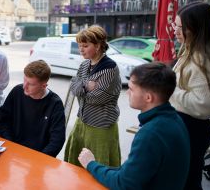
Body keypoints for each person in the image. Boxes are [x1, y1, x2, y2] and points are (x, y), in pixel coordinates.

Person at [78, 62, 190, 190]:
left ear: (148, 97)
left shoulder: (150, 134)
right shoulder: (175, 119)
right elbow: (132, 174)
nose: (127, 93)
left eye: (131, 89)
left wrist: (90, 164)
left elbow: (124, 184)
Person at [170, 1, 210, 190]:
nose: (175, 31)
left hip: (190, 129)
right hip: (189, 127)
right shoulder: (194, 49)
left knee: (185, 182)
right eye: (175, 25)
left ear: (195, 28)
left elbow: (203, 105)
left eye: (180, 27)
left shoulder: (203, 59)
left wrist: (167, 89)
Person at [64, 25, 121, 167]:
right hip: (82, 120)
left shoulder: (110, 68)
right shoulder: (85, 64)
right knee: (76, 163)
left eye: (85, 45)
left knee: (99, 165)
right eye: (79, 45)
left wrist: (80, 88)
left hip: (100, 125)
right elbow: (73, 85)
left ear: (98, 46)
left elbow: (97, 98)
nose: (81, 49)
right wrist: (85, 86)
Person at [0, 60, 66, 157]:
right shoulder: (17, 91)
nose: (24, 86)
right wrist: (11, 146)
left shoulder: (55, 104)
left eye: (31, 84)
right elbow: (3, 121)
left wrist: (39, 159)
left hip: (39, 157)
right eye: (24, 80)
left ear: (44, 86)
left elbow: (57, 140)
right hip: (12, 151)